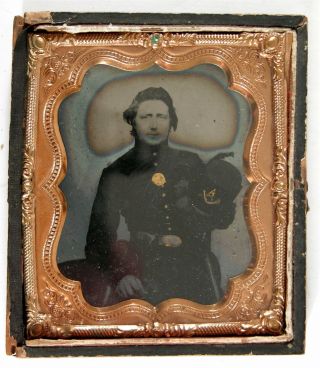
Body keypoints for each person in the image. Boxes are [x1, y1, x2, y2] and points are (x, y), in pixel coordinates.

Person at [63, 87, 242, 307]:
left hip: (194, 265)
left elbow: (215, 214)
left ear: (171, 121)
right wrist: (121, 275)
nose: (154, 124)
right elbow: (99, 236)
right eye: (146, 116)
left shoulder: (191, 162)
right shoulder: (117, 172)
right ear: (133, 122)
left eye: (162, 117)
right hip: (143, 266)